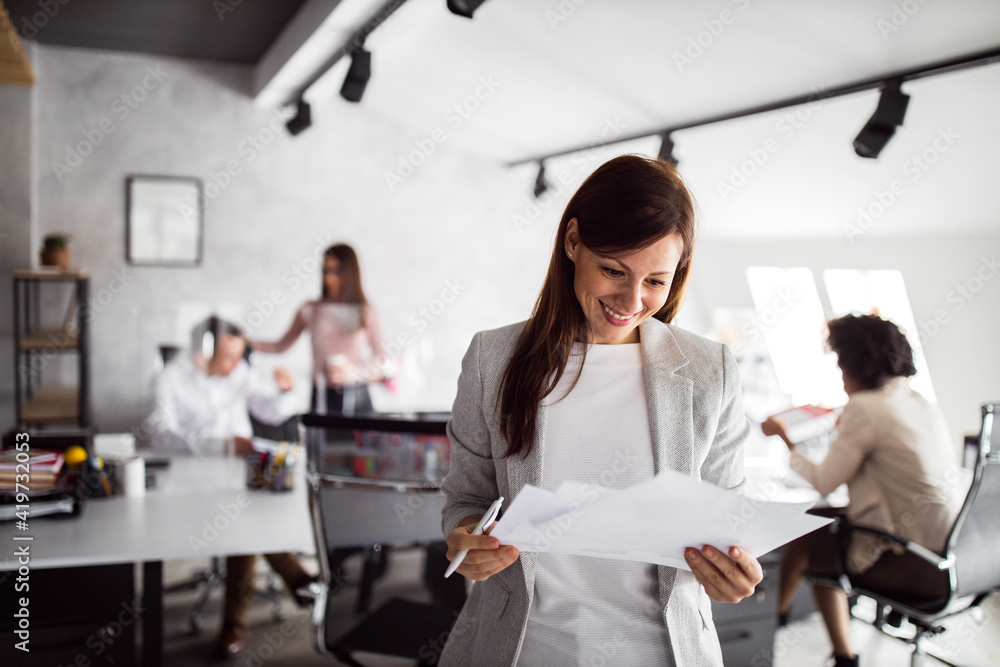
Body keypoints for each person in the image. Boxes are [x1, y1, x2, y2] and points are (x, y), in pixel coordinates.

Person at [439, 155, 763, 666]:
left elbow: (728, 517)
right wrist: (466, 539)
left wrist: (732, 569)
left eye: (656, 281)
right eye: (614, 270)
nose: (631, 300)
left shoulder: (709, 369)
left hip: (662, 653)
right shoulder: (492, 359)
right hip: (525, 649)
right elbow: (465, 499)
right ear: (573, 242)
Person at [762, 314, 964, 667]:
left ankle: (840, 655)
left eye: (840, 366)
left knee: (815, 537)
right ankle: (777, 621)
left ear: (854, 365)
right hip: (955, 557)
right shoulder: (917, 402)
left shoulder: (866, 409)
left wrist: (784, 436)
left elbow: (824, 482)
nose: (840, 378)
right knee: (816, 528)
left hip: (918, 566)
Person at [149, 316, 314, 658]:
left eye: (240, 355)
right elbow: (160, 434)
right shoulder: (169, 379)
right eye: (228, 356)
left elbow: (271, 411)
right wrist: (222, 445)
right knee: (245, 527)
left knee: (253, 519)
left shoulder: (239, 373)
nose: (236, 364)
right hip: (192, 482)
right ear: (203, 350)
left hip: (243, 475)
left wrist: (286, 391)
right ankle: (292, 585)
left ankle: (247, 614)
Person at [250, 243, 389, 415]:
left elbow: (382, 361)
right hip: (322, 397)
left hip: (357, 399)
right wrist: (245, 343)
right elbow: (280, 346)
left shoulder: (365, 312)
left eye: (337, 271)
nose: (329, 278)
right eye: (325, 271)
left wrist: (355, 372)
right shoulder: (311, 310)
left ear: (350, 273)